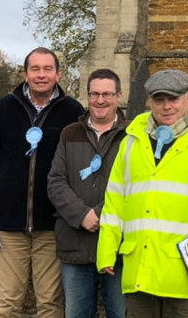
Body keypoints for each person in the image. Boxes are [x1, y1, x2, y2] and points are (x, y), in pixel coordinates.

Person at [96, 69, 188, 318]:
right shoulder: (130, 142)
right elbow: (114, 202)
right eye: (158, 99)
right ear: (149, 102)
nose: (166, 107)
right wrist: (107, 250)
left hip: (187, 275)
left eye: (173, 99)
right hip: (140, 268)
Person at [0, 47, 84, 318]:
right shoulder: (4, 108)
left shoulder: (73, 111)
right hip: (7, 225)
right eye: (35, 69)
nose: (41, 75)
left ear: (58, 74)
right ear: (25, 74)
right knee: (8, 304)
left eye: (47, 69)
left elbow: (80, 165)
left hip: (52, 225)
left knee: (50, 304)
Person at [48, 69, 128, 318]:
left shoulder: (133, 137)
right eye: (94, 94)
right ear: (87, 96)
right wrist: (82, 214)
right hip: (75, 244)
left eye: (107, 94)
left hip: (118, 248)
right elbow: (55, 181)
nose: (100, 100)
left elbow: (137, 187)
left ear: (119, 96)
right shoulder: (69, 133)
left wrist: (101, 214)